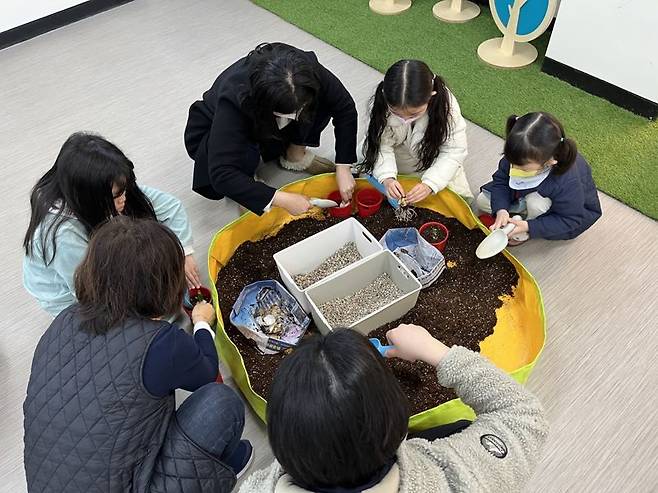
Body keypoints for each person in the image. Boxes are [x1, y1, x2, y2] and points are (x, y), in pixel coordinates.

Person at [23, 217, 253, 493]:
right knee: (222, 402)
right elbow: (205, 374)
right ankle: (221, 468)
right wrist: (202, 323)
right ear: (164, 284)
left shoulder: (64, 318)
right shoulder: (160, 343)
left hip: (48, 481)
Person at [238, 324, 548, 492]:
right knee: (461, 428)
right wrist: (437, 352)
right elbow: (522, 415)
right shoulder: (455, 479)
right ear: (396, 420)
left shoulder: (255, 487)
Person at [23, 132, 202, 316]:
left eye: (124, 190)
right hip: (67, 294)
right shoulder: (64, 237)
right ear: (90, 196)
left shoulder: (105, 187)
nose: (124, 199)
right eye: (116, 195)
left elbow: (171, 207)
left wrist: (185, 253)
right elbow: (92, 293)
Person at [184, 42, 357, 215]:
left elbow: (345, 108)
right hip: (217, 129)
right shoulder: (236, 97)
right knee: (239, 157)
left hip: (277, 114)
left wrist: (343, 167)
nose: (295, 119)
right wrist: (279, 198)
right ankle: (249, 183)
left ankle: (295, 154)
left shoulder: (307, 71)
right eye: (287, 115)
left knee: (321, 102)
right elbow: (221, 172)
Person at [476, 112, 602, 244]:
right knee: (482, 201)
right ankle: (520, 216)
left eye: (523, 168)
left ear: (551, 160)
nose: (515, 169)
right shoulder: (519, 154)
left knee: (536, 203)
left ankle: (525, 226)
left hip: (564, 211)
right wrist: (501, 210)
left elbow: (570, 219)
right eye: (513, 163)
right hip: (525, 193)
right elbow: (501, 181)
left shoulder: (568, 180)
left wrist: (529, 227)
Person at [360, 60, 473, 204]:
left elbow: (454, 151)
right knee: (376, 184)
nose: (404, 119)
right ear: (384, 94)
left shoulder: (447, 109)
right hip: (399, 156)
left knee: (456, 199)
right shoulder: (381, 104)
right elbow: (380, 144)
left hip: (431, 157)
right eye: (396, 113)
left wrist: (430, 184)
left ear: (431, 95)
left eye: (413, 114)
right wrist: (387, 177)